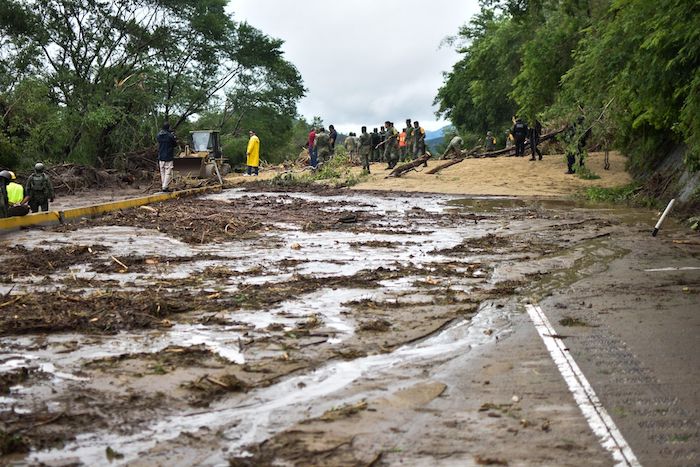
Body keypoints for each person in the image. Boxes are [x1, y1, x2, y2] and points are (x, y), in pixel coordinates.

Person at [156, 121, 177, 192]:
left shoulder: (159, 135)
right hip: (168, 156)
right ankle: (165, 187)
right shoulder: (170, 136)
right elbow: (175, 144)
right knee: (168, 172)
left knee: (162, 172)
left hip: (161, 156)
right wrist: (174, 137)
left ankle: (164, 185)